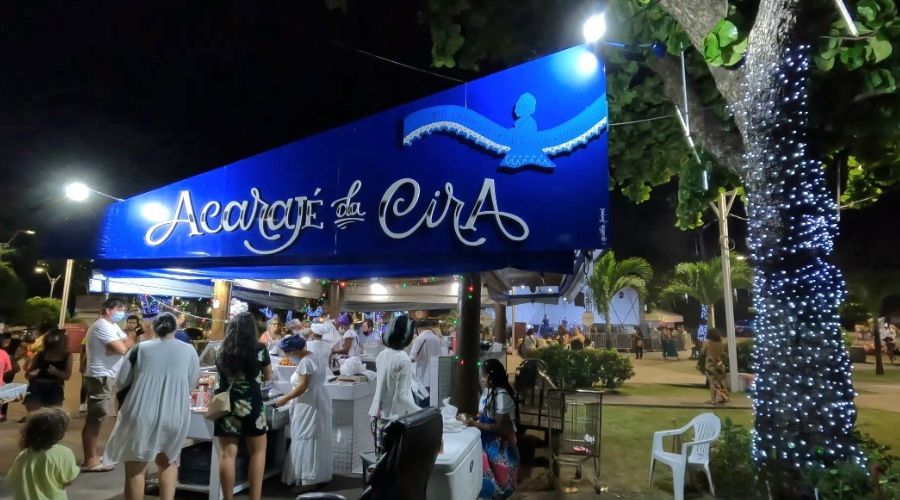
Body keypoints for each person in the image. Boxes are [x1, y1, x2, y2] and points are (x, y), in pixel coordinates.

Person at [100, 313, 200, 500]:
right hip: (175, 413)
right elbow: (192, 382)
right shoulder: (189, 350)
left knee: (136, 469)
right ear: (175, 329)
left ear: (154, 328)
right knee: (168, 462)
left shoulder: (140, 349)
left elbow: (121, 381)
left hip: (141, 411)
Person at [214, 312, 272, 500]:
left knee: (227, 455)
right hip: (252, 405)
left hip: (227, 406)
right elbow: (268, 376)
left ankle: (227, 498)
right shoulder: (260, 349)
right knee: (257, 452)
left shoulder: (221, 350)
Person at [82, 296, 135, 472]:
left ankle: (94, 456)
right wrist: (120, 346)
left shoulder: (112, 327)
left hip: (109, 376)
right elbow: (122, 348)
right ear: (108, 310)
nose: (122, 313)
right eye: (119, 310)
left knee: (100, 416)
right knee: (95, 417)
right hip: (101, 376)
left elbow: (130, 344)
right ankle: (90, 460)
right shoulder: (101, 326)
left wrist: (121, 345)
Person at [276, 335, 333, 492]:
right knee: (315, 438)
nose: (287, 356)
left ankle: (306, 479)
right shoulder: (313, 357)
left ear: (294, 350)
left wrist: (285, 398)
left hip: (308, 404)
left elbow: (302, 387)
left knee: (305, 436)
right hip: (316, 401)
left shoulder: (306, 362)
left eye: (287, 353)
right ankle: (316, 476)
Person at [465, 358, 519, 499]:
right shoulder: (488, 392)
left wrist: (475, 424)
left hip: (499, 444)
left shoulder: (501, 395)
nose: (481, 379)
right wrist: (469, 418)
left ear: (489, 376)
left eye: (483, 375)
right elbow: (482, 414)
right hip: (488, 439)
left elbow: (500, 427)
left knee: (499, 484)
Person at [369, 315, 419, 456]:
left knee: (381, 460)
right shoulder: (403, 359)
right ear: (406, 335)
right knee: (396, 463)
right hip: (395, 419)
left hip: (377, 415)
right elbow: (401, 397)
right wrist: (422, 412)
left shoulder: (382, 355)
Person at [8, 407, 79, 500]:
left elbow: (13, 479)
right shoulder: (64, 453)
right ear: (60, 433)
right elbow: (68, 480)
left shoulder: (22, 455)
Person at [24, 327, 72, 412]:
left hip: (54, 389)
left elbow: (67, 376)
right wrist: (32, 373)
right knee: (36, 418)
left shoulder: (67, 356)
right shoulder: (40, 355)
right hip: (36, 388)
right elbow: (27, 375)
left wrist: (56, 372)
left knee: (52, 418)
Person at [408, 319, 443, 407]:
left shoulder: (420, 339)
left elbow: (412, 358)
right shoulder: (437, 339)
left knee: (421, 407)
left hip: (422, 378)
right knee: (432, 405)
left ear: (418, 329)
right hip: (435, 378)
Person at [702, 328, 729, 405]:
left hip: (710, 364)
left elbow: (702, 352)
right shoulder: (720, 343)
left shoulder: (707, 343)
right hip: (719, 364)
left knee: (713, 382)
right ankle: (723, 397)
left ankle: (713, 400)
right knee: (721, 382)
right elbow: (722, 353)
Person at [1, 319, 19, 422]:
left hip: (6, 377)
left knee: (5, 396)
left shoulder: (9, 350)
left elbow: (16, 368)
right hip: (7, 376)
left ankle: (3, 415)